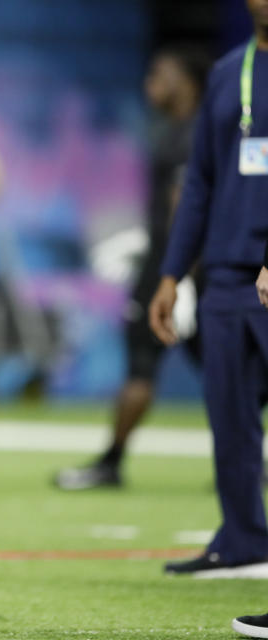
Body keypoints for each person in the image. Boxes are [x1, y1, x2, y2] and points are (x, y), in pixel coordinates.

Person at [149, 0, 268, 579]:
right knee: (230, 417)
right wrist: (173, 273)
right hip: (224, 276)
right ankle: (244, 540)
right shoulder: (227, 73)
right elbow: (199, 181)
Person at [54, 46, 208, 490]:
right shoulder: (182, 130)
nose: (150, 84)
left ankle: (111, 463)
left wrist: (178, 276)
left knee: (142, 363)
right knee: (228, 373)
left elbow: (184, 208)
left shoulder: (190, 135)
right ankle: (243, 462)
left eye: (162, 74)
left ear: (188, 80)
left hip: (174, 273)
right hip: (183, 265)